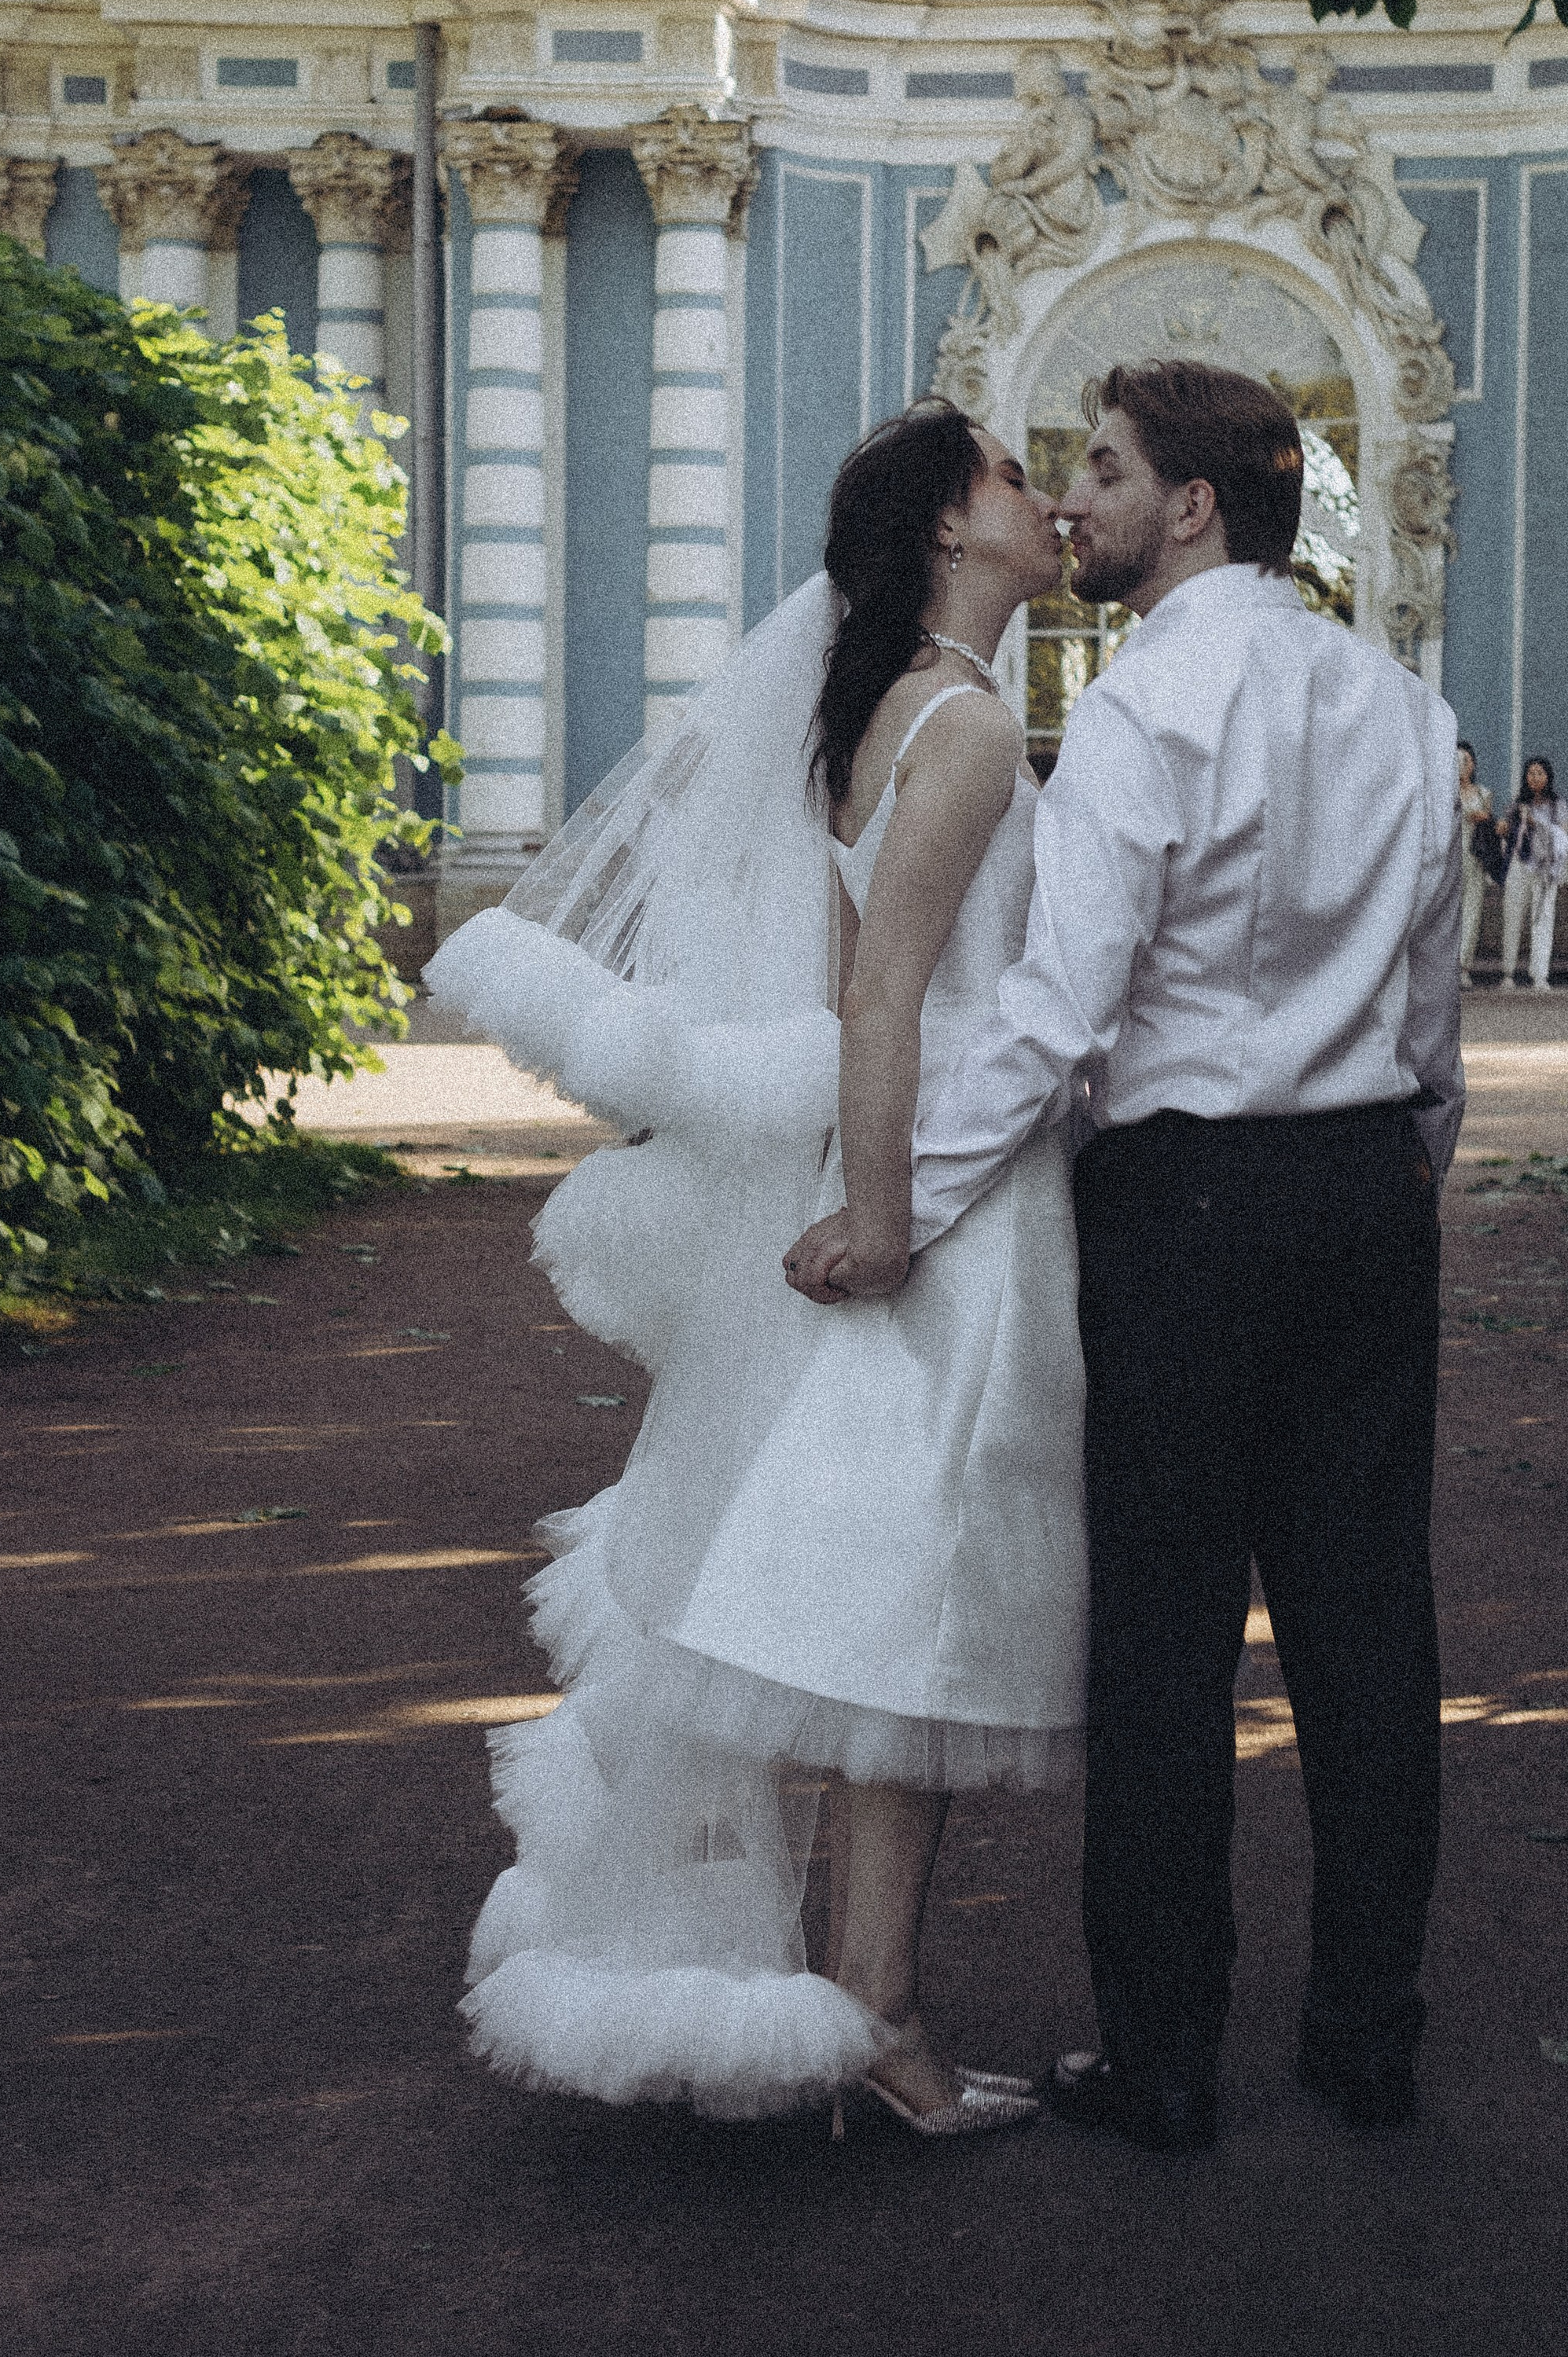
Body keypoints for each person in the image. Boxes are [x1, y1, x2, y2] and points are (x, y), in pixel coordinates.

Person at [790, 358, 1464, 2148]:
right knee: (1369, 1631)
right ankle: (1363, 2035)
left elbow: (1051, 1013)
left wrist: (894, 1209)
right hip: (1361, 1194)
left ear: (1187, 506)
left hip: (1180, 1206)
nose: (1073, 497)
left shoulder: (1139, 710)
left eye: (1099, 467)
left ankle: (1162, 2061)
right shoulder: (1400, 704)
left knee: (1160, 1648)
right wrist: (1407, 1168)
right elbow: (1430, 1003)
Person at [422, 402, 1088, 2137]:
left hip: (922, 1177)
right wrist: (883, 1212)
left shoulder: (897, 711)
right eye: (1014, 478)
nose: (1040, 501)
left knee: (886, 1618)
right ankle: (878, 2009)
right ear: (949, 532)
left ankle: (875, 2001)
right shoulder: (957, 731)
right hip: (940, 1204)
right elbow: (879, 1000)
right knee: (916, 1611)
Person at [1496, 755, 1568, 991]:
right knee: (1512, 916)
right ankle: (1508, 972)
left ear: (1548, 777)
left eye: (1539, 773)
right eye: (1530, 773)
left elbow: (1562, 836)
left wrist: (1536, 823)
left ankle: (1540, 975)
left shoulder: (1557, 805)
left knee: (1543, 919)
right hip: (1520, 863)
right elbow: (1504, 828)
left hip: (1544, 868)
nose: (1535, 778)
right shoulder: (1517, 804)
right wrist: (1504, 826)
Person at [1456, 740, 1495, 989]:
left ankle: (1463, 966)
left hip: (1474, 858)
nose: (1461, 765)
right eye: (1457, 760)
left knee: (1471, 913)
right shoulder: (1442, 792)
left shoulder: (1483, 794)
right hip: (1447, 860)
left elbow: (1490, 827)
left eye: (1466, 760)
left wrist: (1486, 818)